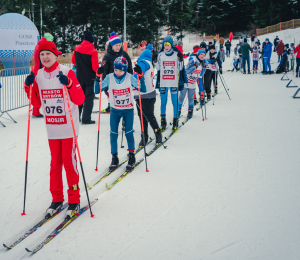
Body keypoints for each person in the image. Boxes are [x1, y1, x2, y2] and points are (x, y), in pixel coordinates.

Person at [24, 40, 85, 220]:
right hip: (52, 129)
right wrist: (29, 86)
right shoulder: (39, 75)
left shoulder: (67, 72)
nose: (45, 57)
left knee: (69, 164)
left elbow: (80, 99)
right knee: (55, 165)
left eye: (48, 54)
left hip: (68, 129)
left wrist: (69, 84)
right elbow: (36, 104)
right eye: (41, 54)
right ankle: (57, 199)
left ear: (55, 55)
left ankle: (74, 200)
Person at [97, 57, 147, 171]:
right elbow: (97, 90)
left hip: (128, 110)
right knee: (113, 133)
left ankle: (131, 156)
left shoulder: (130, 77)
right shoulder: (109, 78)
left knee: (128, 132)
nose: (117, 72)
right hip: (115, 110)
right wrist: (97, 78)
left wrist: (141, 76)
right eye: (115, 70)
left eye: (120, 70)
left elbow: (142, 89)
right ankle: (114, 157)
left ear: (125, 70)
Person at [155, 36, 188, 131]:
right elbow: (158, 68)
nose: (166, 47)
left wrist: (181, 60)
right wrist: (156, 62)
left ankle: (175, 120)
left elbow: (181, 68)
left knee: (175, 102)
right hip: (164, 82)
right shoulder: (160, 54)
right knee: (163, 102)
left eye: (168, 45)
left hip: (174, 82)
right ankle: (163, 121)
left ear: (171, 45)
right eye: (164, 45)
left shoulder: (176, 54)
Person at [132, 49, 162, 146]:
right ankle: (144, 136)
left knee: (149, 116)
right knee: (142, 117)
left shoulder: (144, 62)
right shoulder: (149, 62)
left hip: (146, 95)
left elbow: (142, 68)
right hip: (141, 95)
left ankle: (157, 134)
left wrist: (138, 73)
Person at [101, 32, 133, 113]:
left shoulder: (124, 54)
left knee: (124, 99)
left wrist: (131, 78)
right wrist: (105, 82)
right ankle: (111, 109)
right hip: (112, 81)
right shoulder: (107, 56)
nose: (118, 47)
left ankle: (125, 119)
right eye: (116, 45)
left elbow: (129, 66)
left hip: (124, 80)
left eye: (119, 45)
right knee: (114, 98)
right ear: (112, 45)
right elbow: (104, 70)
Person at [72, 31, 98, 124]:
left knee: (79, 97)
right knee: (89, 98)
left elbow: (73, 61)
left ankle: (77, 117)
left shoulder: (77, 48)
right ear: (92, 40)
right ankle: (86, 118)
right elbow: (95, 67)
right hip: (90, 77)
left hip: (79, 76)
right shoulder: (93, 51)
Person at [179, 48, 205, 118]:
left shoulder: (202, 63)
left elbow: (200, 75)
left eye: (204, 55)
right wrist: (193, 67)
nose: (202, 56)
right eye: (201, 54)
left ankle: (190, 111)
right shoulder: (193, 60)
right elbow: (186, 71)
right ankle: (178, 111)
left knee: (191, 98)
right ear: (198, 54)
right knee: (181, 97)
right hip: (186, 82)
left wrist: (204, 69)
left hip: (192, 84)